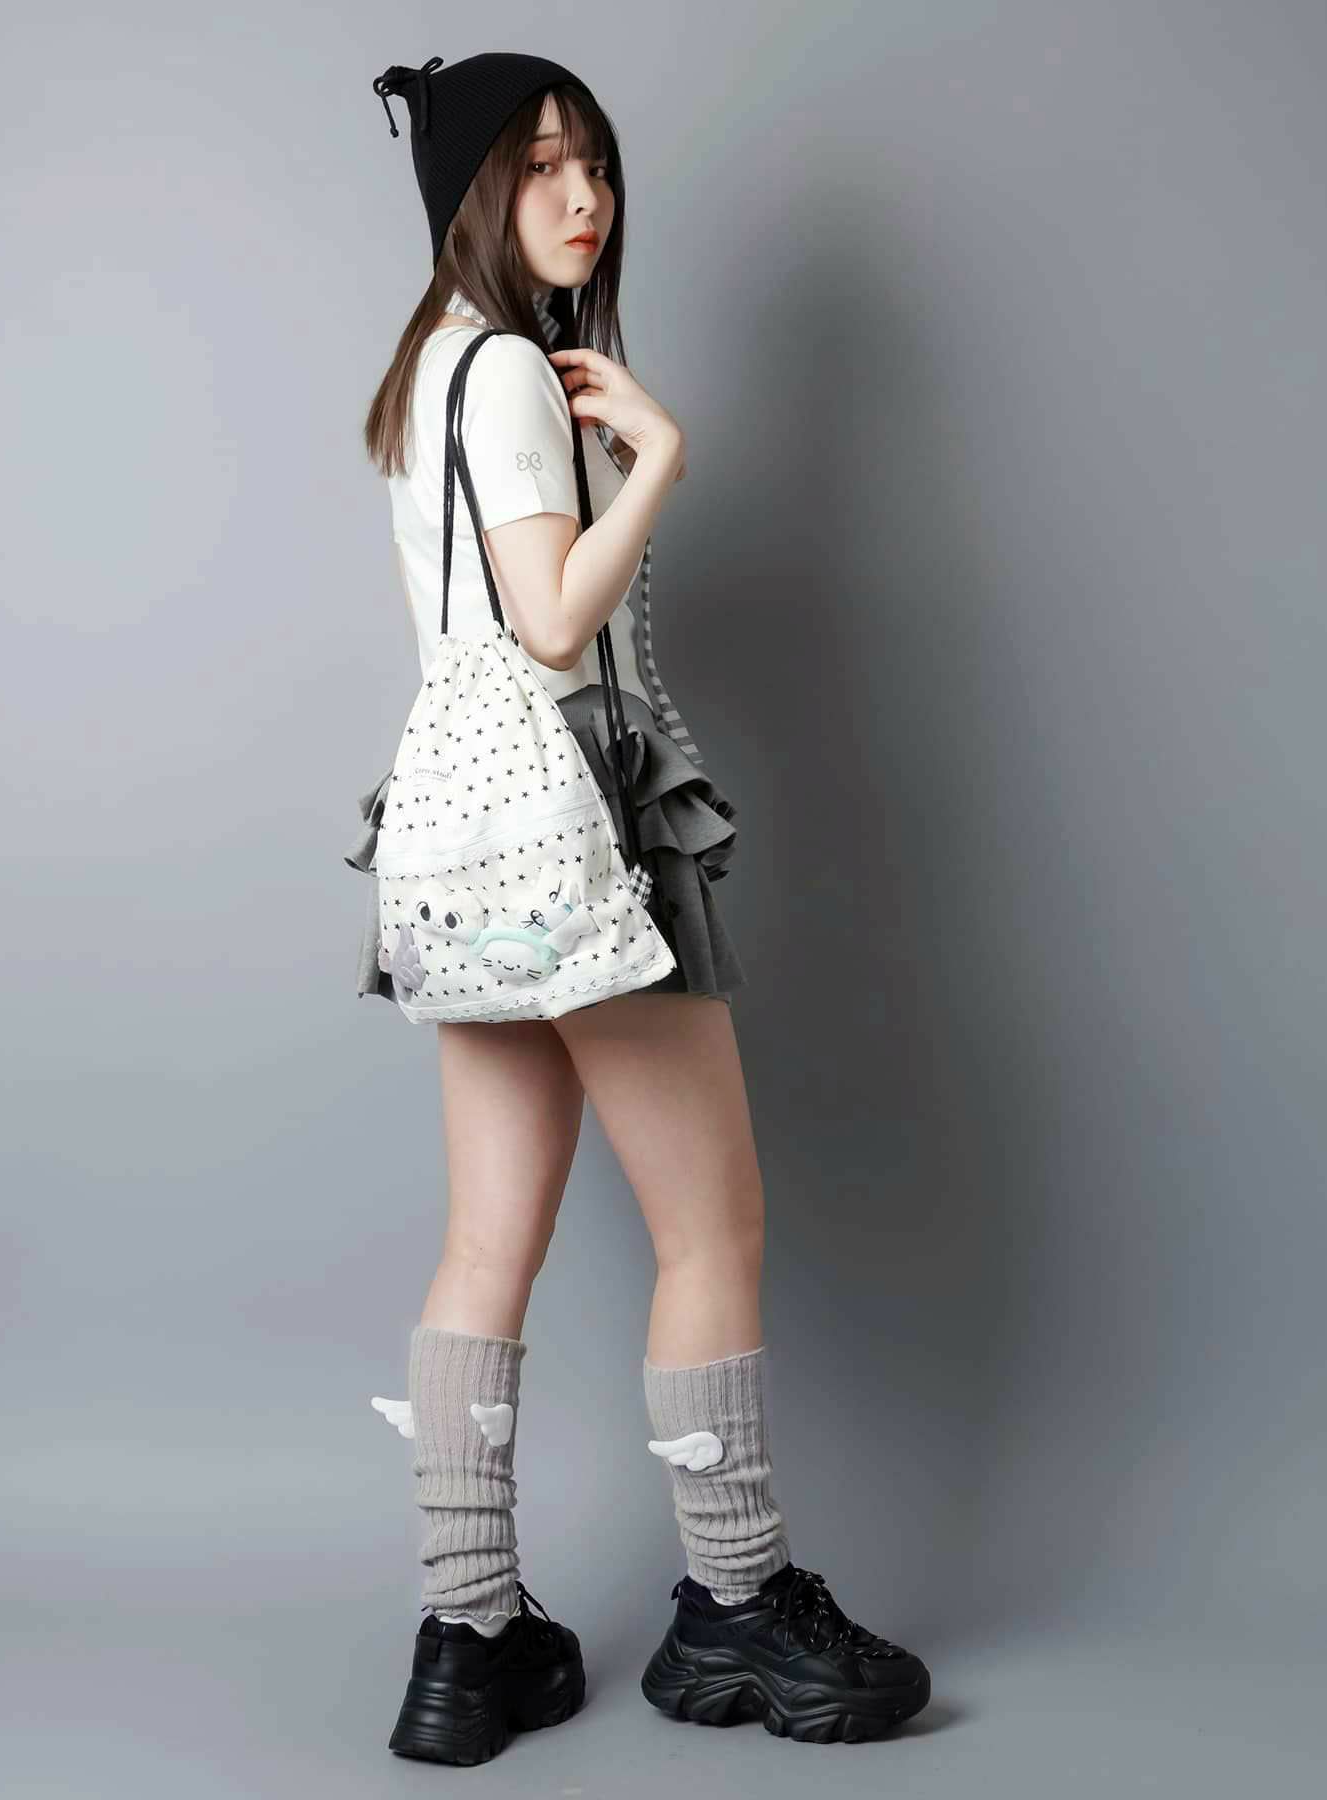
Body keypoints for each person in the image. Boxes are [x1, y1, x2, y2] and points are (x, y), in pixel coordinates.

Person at [351, 52, 931, 1765]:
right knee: (711, 1229)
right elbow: (549, 625)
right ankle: (737, 1609)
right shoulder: (515, 374)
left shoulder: (426, 372)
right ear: (472, 193)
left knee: (484, 1245)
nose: (583, 194)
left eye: (595, 161)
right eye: (539, 165)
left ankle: (468, 1642)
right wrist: (661, 455)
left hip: (462, 851)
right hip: (575, 832)